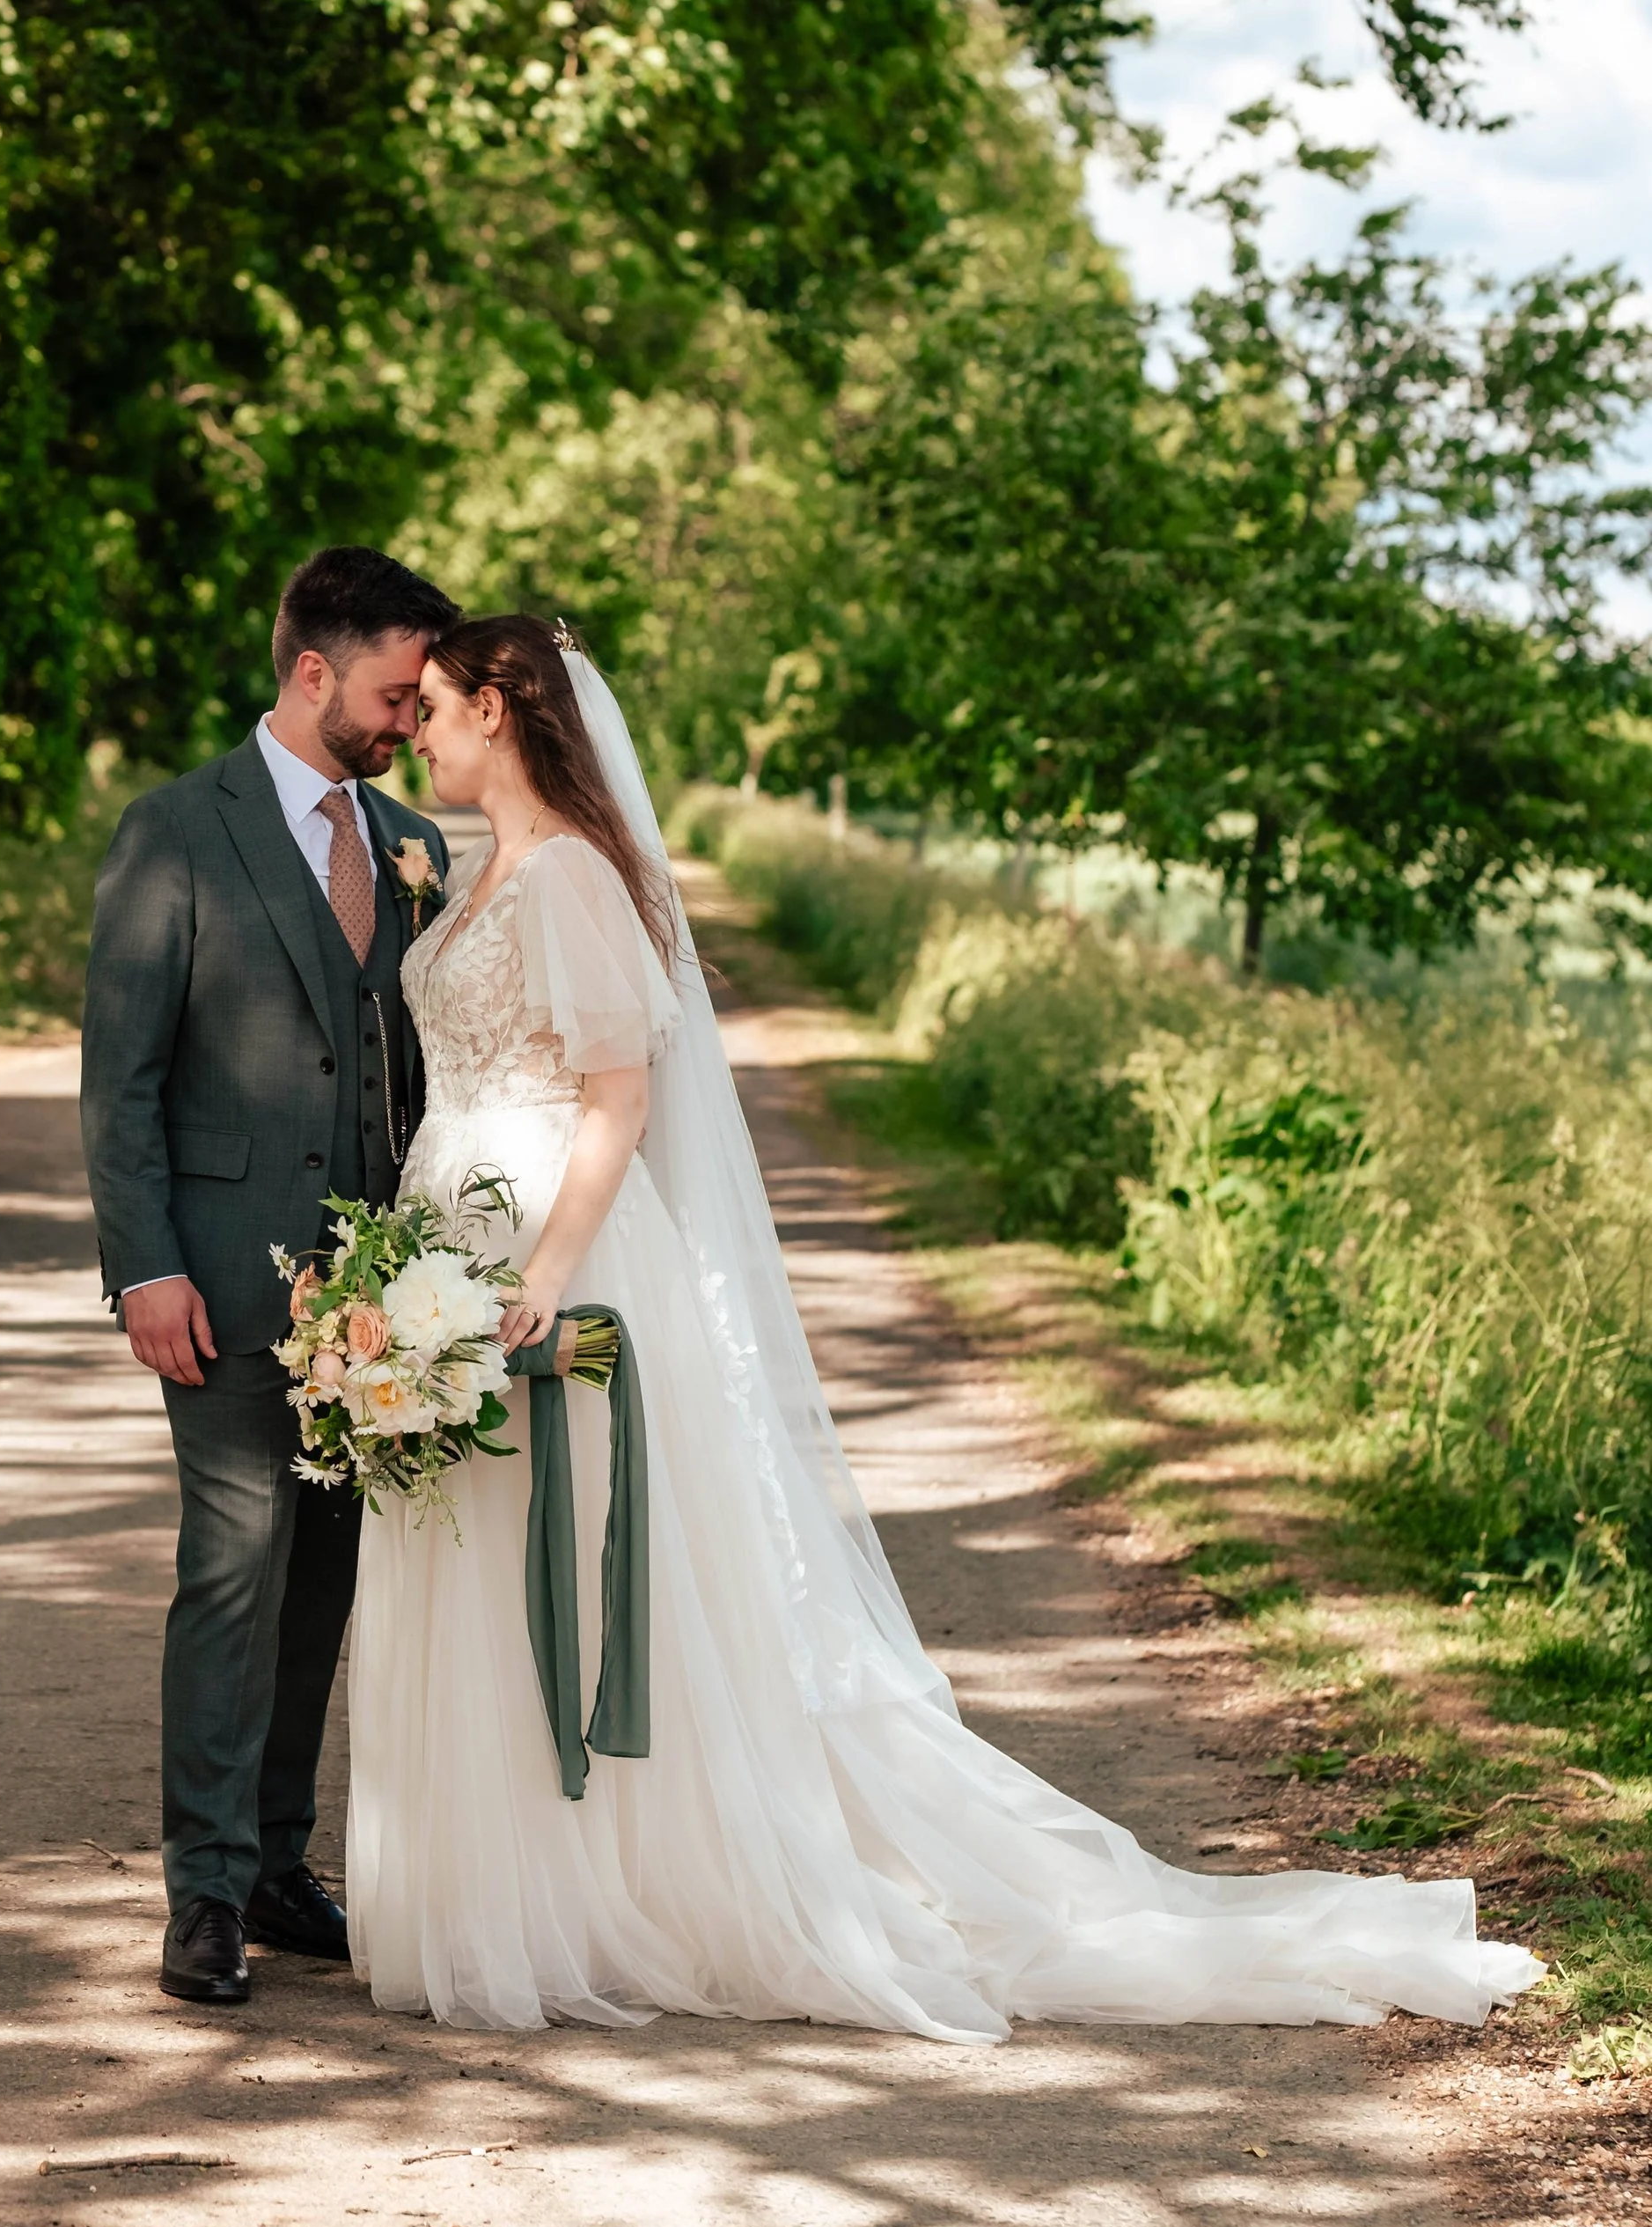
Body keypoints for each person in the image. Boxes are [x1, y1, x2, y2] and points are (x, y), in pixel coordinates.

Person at [346, 612, 1546, 2040]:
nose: (413, 724)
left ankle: (604, 1890)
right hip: (453, 1243)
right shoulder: (479, 878)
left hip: (561, 1251)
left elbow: (616, 1097)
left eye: (432, 703)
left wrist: (544, 1270)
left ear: (500, 705)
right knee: (473, 1548)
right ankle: (498, 1889)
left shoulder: (574, 884)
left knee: (589, 1565)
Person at [80, 545, 458, 2008]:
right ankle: (204, 1892)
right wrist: (146, 1266)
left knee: (328, 1581)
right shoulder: (174, 830)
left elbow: (422, 1056)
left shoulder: (416, 842)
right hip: (227, 1277)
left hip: (389, 1298)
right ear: (314, 671)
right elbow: (123, 1081)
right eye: (392, 690)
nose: (409, 718)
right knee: (233, 1574)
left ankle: (282, 1860)